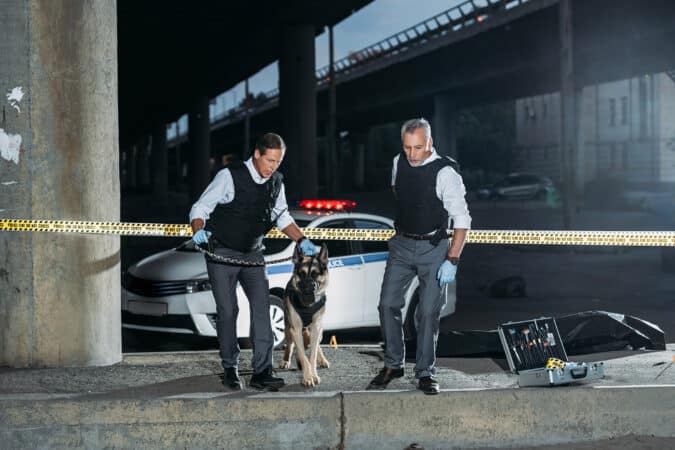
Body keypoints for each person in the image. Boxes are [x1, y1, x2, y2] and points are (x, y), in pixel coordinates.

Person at [189, 132, 317, 390]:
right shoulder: (229, 176)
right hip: (221, 253)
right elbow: (200, 208)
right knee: (228, 312)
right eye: (269, 160)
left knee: (262, 310)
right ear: (257, 154)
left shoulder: (276, 182)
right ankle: (230, 368)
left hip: (253, 254)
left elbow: (283, 218)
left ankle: (261, 372)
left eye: (278, 162)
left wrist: (302, 240)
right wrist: (198, 229)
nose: (272, 167)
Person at [367, 118, 471, 395]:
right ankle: (393, 364)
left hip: (433, 249)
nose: (411, 154)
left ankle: (425, 372)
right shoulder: (398, 162)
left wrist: (452, 260)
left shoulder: (446, 173)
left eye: (417, 148)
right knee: (387, 304)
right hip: (401, 245)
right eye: (407, 147)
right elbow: (399, 192)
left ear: (429, 144)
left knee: (427, 312)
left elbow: (462, 220)